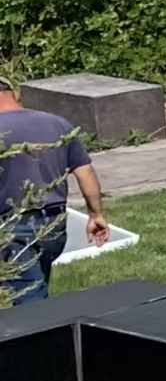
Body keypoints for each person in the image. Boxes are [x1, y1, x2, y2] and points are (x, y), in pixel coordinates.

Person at [0, 73, 113, 311]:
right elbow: (85, 173)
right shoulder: (57, 123)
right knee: (35, 286)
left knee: (29, 301)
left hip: (13, 226)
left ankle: (42, 345)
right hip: (54, 224)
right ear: (15, 95)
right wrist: (96, 215)